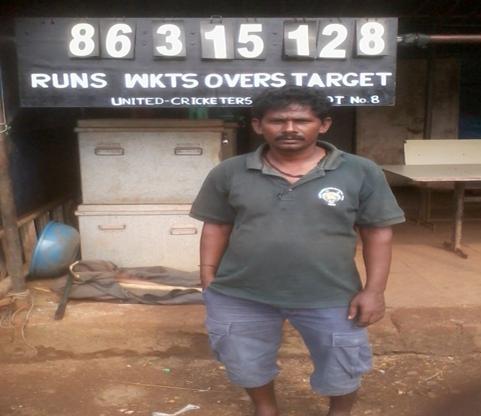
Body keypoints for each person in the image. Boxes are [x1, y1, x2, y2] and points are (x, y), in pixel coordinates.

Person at [190, 86, 405, 416]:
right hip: (241, 292)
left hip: (331, 293)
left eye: (301, 120)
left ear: (324, 125)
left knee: (343, 360)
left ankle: (339, 412)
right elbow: (217, 225)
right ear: (259, 125)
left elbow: (377, 232)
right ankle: (265, 408)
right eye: (278, 120)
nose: (290, 128)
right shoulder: (230, 171)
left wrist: (375, 290)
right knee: (244, 358)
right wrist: (208, 276)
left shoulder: (360, 171)